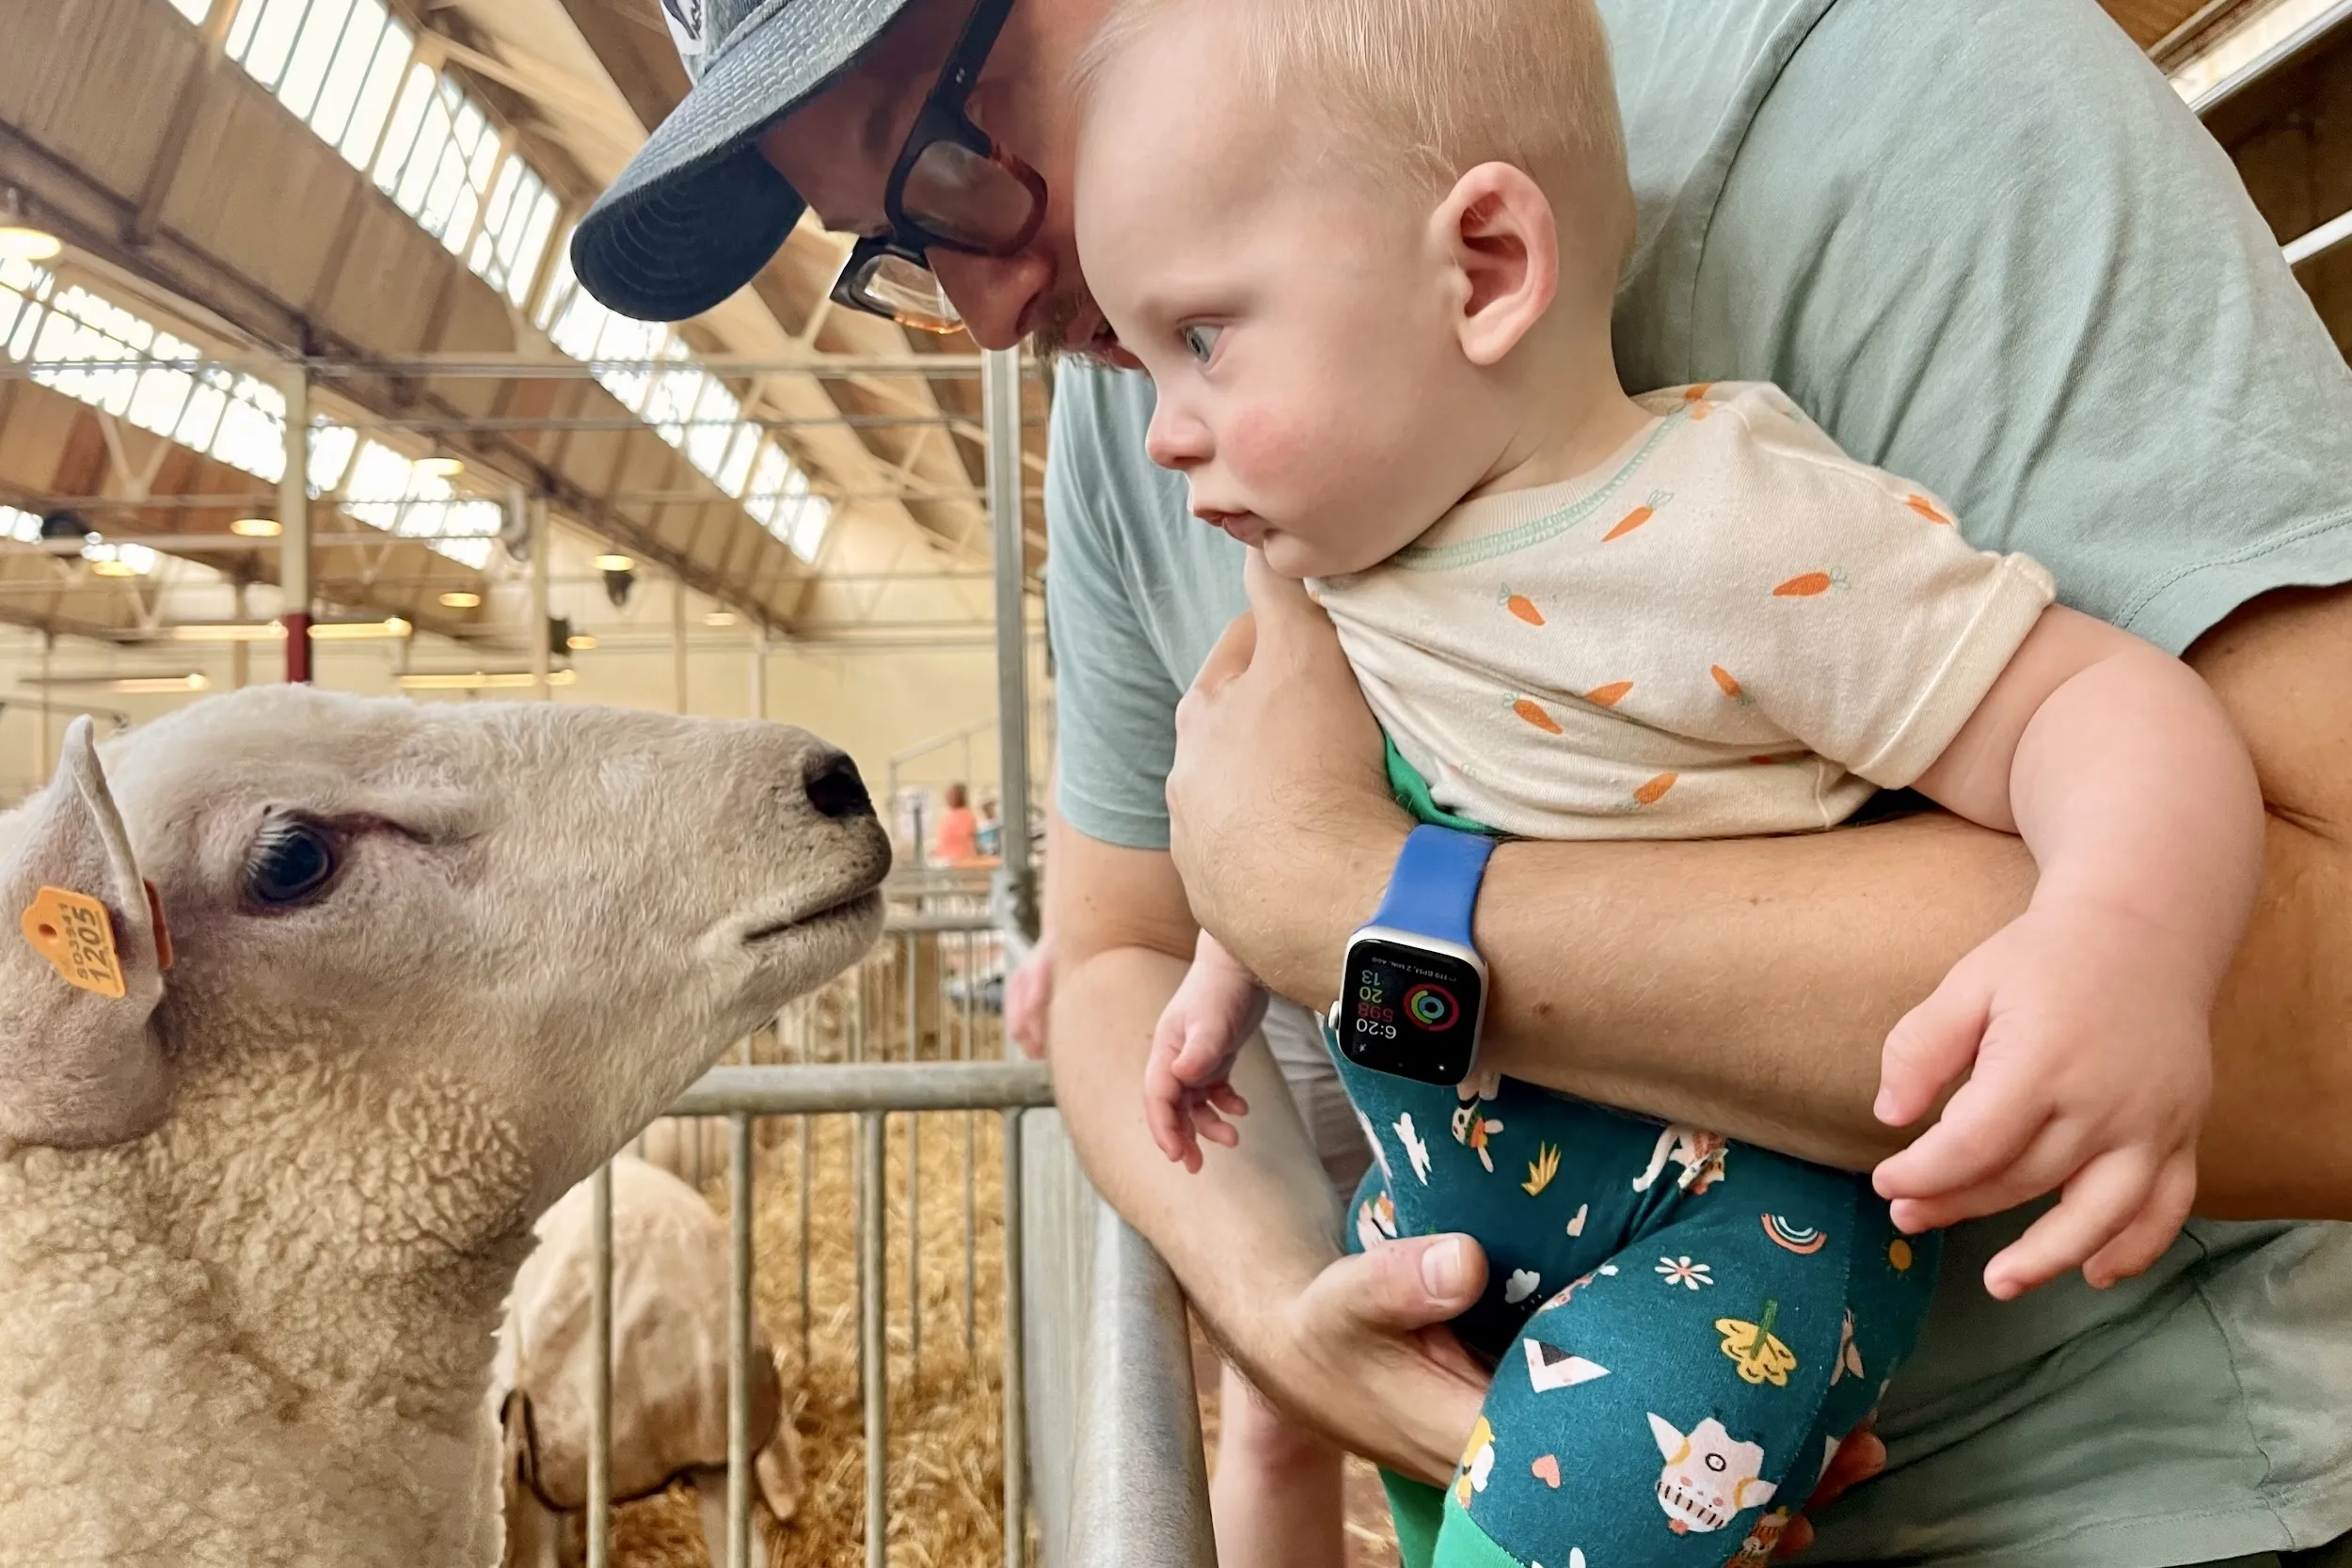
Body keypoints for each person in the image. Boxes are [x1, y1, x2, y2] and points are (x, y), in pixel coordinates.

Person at [569, 1, 2352, 1562]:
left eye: (952, 159)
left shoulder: (1857, 114)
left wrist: (1356, 905)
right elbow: (1121, 932)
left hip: (2093, 1502)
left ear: (1486, 266)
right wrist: (1277, 1307)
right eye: (890, 246)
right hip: (1496, 1323)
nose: (982, 306)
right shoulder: (1148, 413)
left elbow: (2287, 929)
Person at [1071, 2, 2262, 1560]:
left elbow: (2101, 702)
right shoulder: (1341, 574)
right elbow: (1289, 840)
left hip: (1729, 1232)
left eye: (1203, 337)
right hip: (1455, 1223)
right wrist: (1219, 981)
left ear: (1484, 266)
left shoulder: (1732, 535)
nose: (1159, 433)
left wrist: (2124, 938)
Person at [933, 780, 979, 864]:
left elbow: (965, 836)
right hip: (944, 861)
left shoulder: (967, 815)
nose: (947, 797)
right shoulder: (948, 815)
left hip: (960, 861)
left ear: (960, 796)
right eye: (948, 795)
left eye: (951, 795)